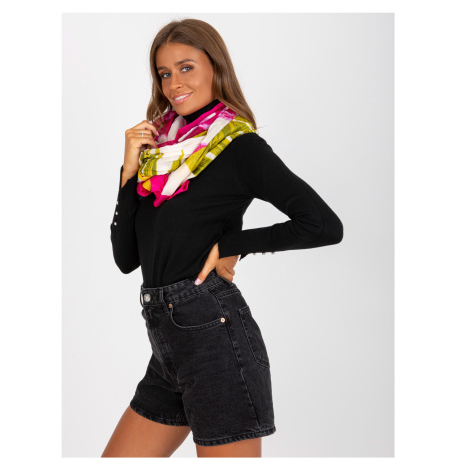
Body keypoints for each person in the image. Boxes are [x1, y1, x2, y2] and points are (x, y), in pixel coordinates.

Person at [102, 18, 343, 458]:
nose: (174, 83)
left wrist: (232, 245)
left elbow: (323, 224)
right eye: (164, 73)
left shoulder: (238, 146)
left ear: (216, 67)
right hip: (167, 343)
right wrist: (129, 172)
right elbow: (125, 258)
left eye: (186, 67)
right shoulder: (159, 153)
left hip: (214, 336)